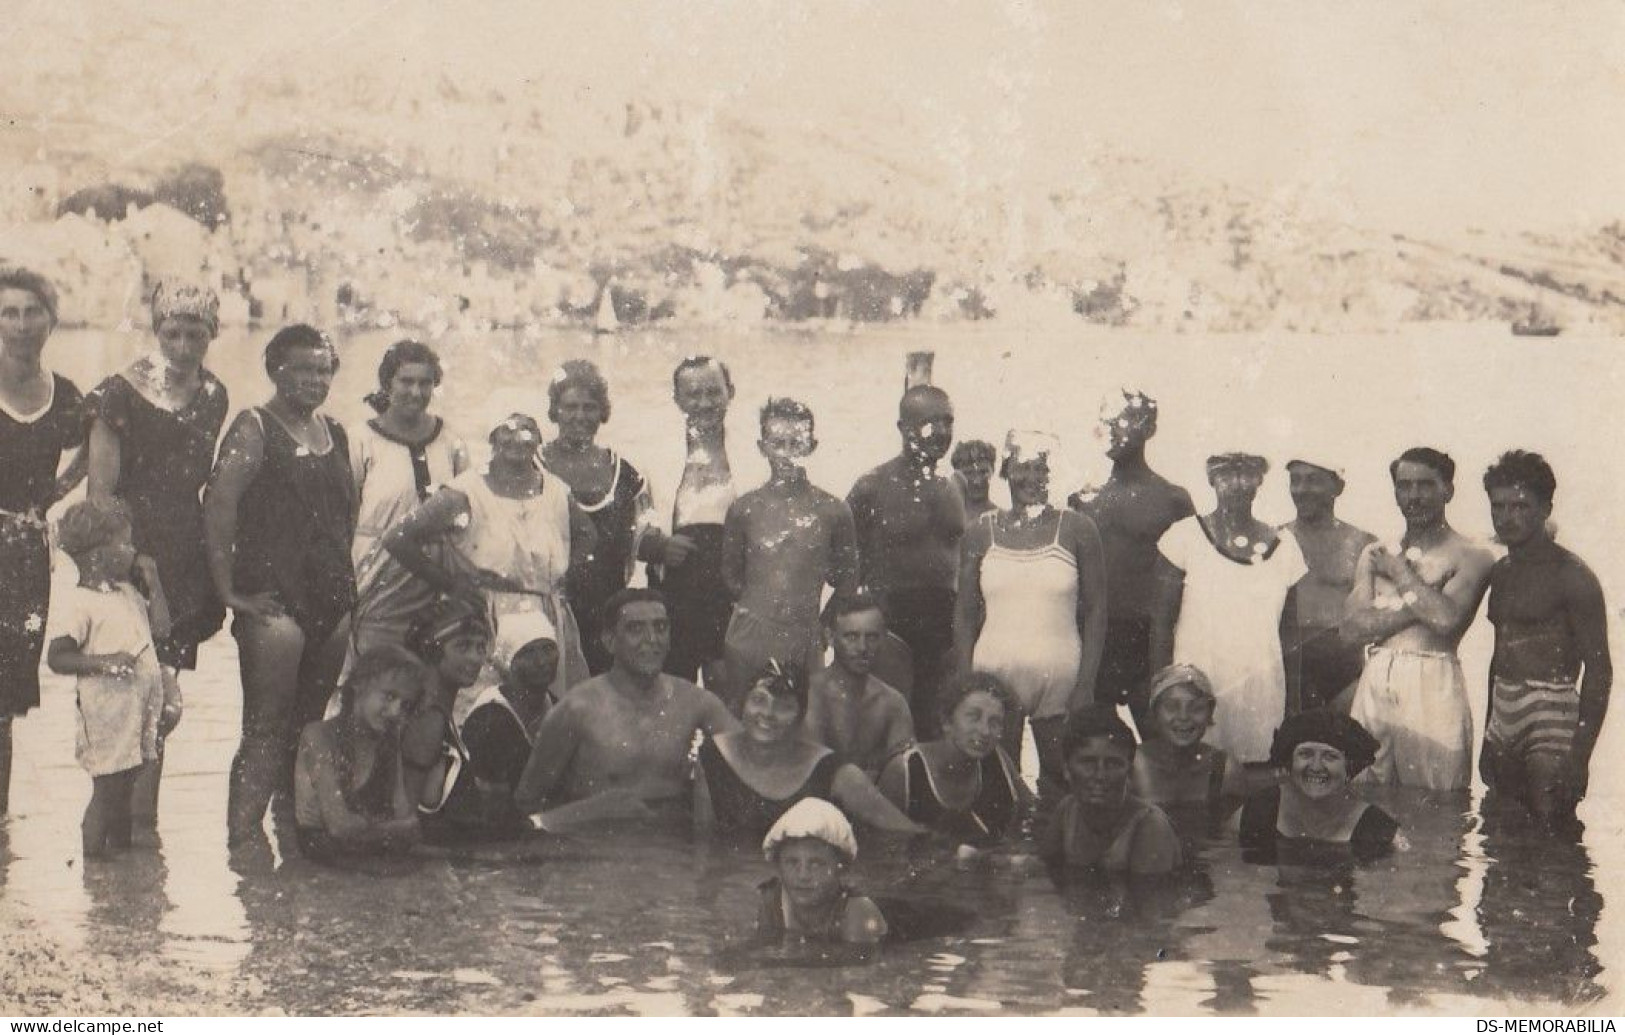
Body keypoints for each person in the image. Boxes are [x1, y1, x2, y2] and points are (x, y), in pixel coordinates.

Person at [204, 324, 356, 845]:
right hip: (273, 603)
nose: (315, 380)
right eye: (302, 369)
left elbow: (342, 519)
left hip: (330, 601)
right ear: (275, 371)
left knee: (309, 726)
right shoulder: (254, 427)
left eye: (323, 369)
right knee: (264, 730)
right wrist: (228, 592)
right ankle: (243, 846)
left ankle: (293, 841)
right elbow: (219, 507)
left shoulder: (336, 431)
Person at [86, 280, 230, 824]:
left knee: (164, 703)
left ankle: (144, 833)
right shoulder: (118, 391)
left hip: (182, 550)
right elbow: (101, 493)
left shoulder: (215, 394)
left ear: (213, 333)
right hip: (127, 550)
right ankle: (112, 830)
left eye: (197, 332)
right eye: (173, 331)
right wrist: (129, 562)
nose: (184, 343)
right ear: (156, 330)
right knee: (123, 695)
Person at [385, 412, 591, 703]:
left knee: (549, 707)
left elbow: (587, 533)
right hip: (489, 615)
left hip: (547, 615)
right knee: (485, 703)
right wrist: (451, 584)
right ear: (493, 435)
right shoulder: (467, 490)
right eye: (507, 429)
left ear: (540, 437)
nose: (517, 437)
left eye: (527, 429)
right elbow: (398, 538)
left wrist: (567, 577)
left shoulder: (555, 489)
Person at [956, 430, 1107, 793]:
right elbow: (963, 613)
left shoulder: (1077, 528)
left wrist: (1086, 684)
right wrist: (965, 682)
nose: (1031, 478)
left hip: (1060, 679)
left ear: (1054, 474)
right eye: (1021, 467)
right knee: (996, 782)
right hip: (994, 676)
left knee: (1062, 782)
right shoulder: (980, 531)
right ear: (1006, 472)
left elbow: (1097, 609)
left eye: (1041, 468)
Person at [514, 588, 739, 826]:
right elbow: (525, 808)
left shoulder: (695, 702)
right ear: (610, 641)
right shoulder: (576, 709)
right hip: (597, 850)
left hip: (671, 851)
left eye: (660, 628)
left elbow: (752, 758)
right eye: (636, 629)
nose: (652, 640)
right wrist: (592, 811)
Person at [1340, 447, 1494, 791]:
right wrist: (1424, 600)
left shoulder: (1472, 554)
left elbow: (1445, 622)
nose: (1414, 496)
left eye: (1425, 485)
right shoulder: (1374, 551)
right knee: (1362, 791)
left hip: (1433, 678)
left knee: (1437, 800)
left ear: (1448, 490)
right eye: (1404, 486)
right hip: (1376, 675)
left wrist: (1399, 573)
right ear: (1395, 491)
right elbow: (1351, 632)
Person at [1479, 451, 1611, 829]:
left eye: (1520, 506)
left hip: (1550, 707)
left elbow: (1599, 670)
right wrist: (1489, 728)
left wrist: (1580, 756)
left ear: (1545, 508)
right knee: (1503, 825)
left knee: (1552, 825)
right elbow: (1498, 654)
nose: (1507, 517)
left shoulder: (1572, 576)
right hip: (1504, 704)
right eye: (1498, 506)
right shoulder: (1502, 573)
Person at [1152, 453, 1307, 764]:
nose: (1237, 484)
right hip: (1193, 696)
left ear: (1259, 482)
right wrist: (1159, 696)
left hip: (1261, 693)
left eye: (1247, 475)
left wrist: (1294, 702)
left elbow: (1290, 634)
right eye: (1226, 475)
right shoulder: (1182, 537)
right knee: (1194, 779)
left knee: (1256, 782)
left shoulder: (1285, 546)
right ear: (1211, 480)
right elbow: (1161, 625)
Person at [0, 266, 86, 814]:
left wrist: (51, 497)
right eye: (9, 311)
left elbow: (90, 450)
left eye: (33, 312)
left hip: (25, 557)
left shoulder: (66, 395)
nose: (22, 323)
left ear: (51, 321)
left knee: (2, 700)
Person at [45, 501, 176, 857]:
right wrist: (106, 662)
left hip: (136, 706)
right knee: (107, 789)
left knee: (128, 782)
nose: (134, 550)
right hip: (106, 711)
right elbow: (57, 658)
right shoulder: (80, 602)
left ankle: (119, 861)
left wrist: (155, 583)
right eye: (125, 543)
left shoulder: (128, 593)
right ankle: (94, 866)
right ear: (97, 555)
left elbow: (162, 629)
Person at [721, 398, 859, 711]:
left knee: (806, 717)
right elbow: (730, 574)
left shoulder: (833, 510)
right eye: (778, 443)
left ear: (812, 445)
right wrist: (758, 609)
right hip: (750, 634)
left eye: (796, 443)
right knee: (744, 712)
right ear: (762, 446)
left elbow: (849, 578)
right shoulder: (745, 508)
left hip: (805, 630)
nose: (787, 453)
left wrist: (823, 623)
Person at [1068, 390, 1195, 728]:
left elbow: (1192, 577)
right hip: (1092, 637)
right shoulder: (1082, 498)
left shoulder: (1172, 499)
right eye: (1106, 423)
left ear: (1148, 427)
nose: (1112, 431)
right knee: (1091, 740)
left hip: (1146, 639)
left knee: (1161, 740)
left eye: (1122, 422)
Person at [847, 385, 967, 737]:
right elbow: (841, 557)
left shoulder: (955, 483)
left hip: (945, 620)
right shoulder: (873, 484)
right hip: (893, 619)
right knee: (889, 728)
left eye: (947, 422)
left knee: (938, 727)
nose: (941, 432)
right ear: (903, 429)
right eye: (930, 423)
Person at [695, 659, 922, 842]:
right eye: (758, 700)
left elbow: (903, 829)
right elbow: (702, 845)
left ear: (800, 718)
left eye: (785, 706)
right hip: (733, 886)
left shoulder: (830, 770)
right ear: (741, 705)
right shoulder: (714, 755)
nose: (768, 713)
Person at [541, 360, 667, 675]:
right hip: (550, 608)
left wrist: (662, 542)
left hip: (606, 611)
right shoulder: (532, 467)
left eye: (590, 407)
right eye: (570, 406)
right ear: (555, 410)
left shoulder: (626, 473)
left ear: (603, 412)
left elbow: (644, 540)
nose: (580, 416)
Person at [347, 340, 470, 656]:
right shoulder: (361, 440)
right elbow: (345, 517)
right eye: (406, 381)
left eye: (425, 383)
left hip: (435, 586)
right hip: (377, 580)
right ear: (388, 383)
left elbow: (466, 516)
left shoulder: (450, 440)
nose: (416, 392)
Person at [293, 647, 424, 862]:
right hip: (321, 870)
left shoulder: (390, 742)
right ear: (358, 685)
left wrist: (366, 827)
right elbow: (338, 826)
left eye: (405, 705)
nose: (395, 712)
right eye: (389, 696)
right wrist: (389, 829)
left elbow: (409, 822)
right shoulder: (318, 736)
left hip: (366, 860)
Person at [653, 356, 736, 686]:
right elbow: (636, 522)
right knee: (673, 694)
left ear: (731, 392)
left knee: (730, 693)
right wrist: (657, 546)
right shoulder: (655, 453)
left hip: (732, 590)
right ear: (677, 399)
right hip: (675, 591)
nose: (704, 403)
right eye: (693, 394)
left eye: (714, 392)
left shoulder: (755, 451)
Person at [878, 673, 1028, 848]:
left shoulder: (998, 759)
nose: (985, 731)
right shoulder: (906, 771)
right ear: (947, 722)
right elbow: (881, 846)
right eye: (973, 717)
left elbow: (1031, 813)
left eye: (994, 722)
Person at [1280, 456, 1376, 713]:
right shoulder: (1276, 540)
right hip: (1286, 666)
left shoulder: (1362, 543)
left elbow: (1374, 618)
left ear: (1337, 488)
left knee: (1340, 748)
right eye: (1295, 480)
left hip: (1342, 669)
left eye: (1313, 481)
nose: (1301, 490)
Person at [1237, 711, 1398, 862]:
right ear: (1290, 762)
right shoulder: (1257, 810)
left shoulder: (1379, 830)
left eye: (1330, 756)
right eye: (1305, 754)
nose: (1315, 767)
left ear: (1349, 768)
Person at [1039, 708, 1183, 876]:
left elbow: (1152, 899)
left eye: (1113, 764)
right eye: (1088, 763)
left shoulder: (1149, 826)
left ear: (1129, 772)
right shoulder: (1068, 811)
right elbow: (1042, 871)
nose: (1100, 775)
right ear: (1066, 770)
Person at [400, 599, 494, 831]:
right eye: (462, 647)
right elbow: (403, 824)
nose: (475, 658)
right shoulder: (428, 717)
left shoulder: (434, 707)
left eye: (481, 647)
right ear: (431, 650)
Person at [804, 590, 915, 778]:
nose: (863, 648)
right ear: (830, 637)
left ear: (884, 638)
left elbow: (905, 775)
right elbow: (812, 771)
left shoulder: (893, 703)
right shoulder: (810, 693)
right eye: (851, 637)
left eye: (872, 637)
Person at [756, 798, 888, 946]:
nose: (803, 875)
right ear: (778, 867)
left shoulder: (858, 912)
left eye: (816, 864)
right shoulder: (772, 901)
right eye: (792, 862)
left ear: (841, 868)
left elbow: (854, 965)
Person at [1130, 664, 1246, 815]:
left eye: (1196, 708)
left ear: (1209, 714)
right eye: (1172, 707)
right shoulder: (1134, 764)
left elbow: (1235, 832)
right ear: (1154, 713)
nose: (1184, 717)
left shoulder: (1225, 770)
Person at [950, 439, 997, 523]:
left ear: (993, 470)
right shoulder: (948, 520)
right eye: (968, 473)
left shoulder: (1002, 519)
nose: (977, 481)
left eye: (983, 472)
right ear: (957, 474)